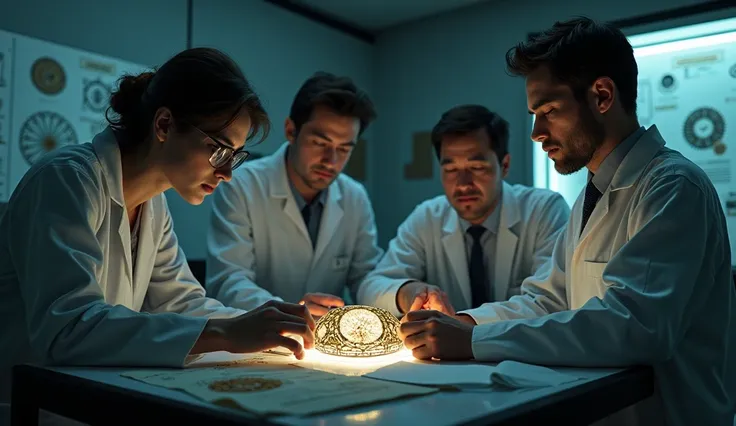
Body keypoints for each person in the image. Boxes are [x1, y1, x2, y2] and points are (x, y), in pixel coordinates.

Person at [398, 17, 736, 426]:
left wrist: (472, 341)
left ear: (603, 96)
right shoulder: (593, 194)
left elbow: (636, 327)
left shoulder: (674, 188)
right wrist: (464, 322)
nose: (537, 132)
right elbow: (549, 300)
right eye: (534, 114)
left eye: (550, 110)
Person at [0, 47, 316, 423]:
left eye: (236, 156)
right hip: (27, 408)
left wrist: (271, 328)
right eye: (219, 150)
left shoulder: (154, 205)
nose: (227, 173)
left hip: (83, 403)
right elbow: (67, 328)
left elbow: (182, 303)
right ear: (164, 125)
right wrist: (229, 332)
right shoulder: (67, 180)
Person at [357, 105, 569, 316]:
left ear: (504, 166)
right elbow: (370, 288)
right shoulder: (427, 218)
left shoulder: (544, 211)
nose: (463, 184)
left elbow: (551, 302)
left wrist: (463, 327)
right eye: (451, 170)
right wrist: (409, 293)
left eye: (476, 168)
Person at [206, 72, 383, 318]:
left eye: (343, 149)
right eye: (320, 143)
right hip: (256, 337)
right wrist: (291, 312)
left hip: (321, 344)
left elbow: (365, 277)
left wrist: (400, 294)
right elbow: (228, 282)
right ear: (291, 130)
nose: (331, 161)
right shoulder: (242, 185)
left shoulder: (355, 196)